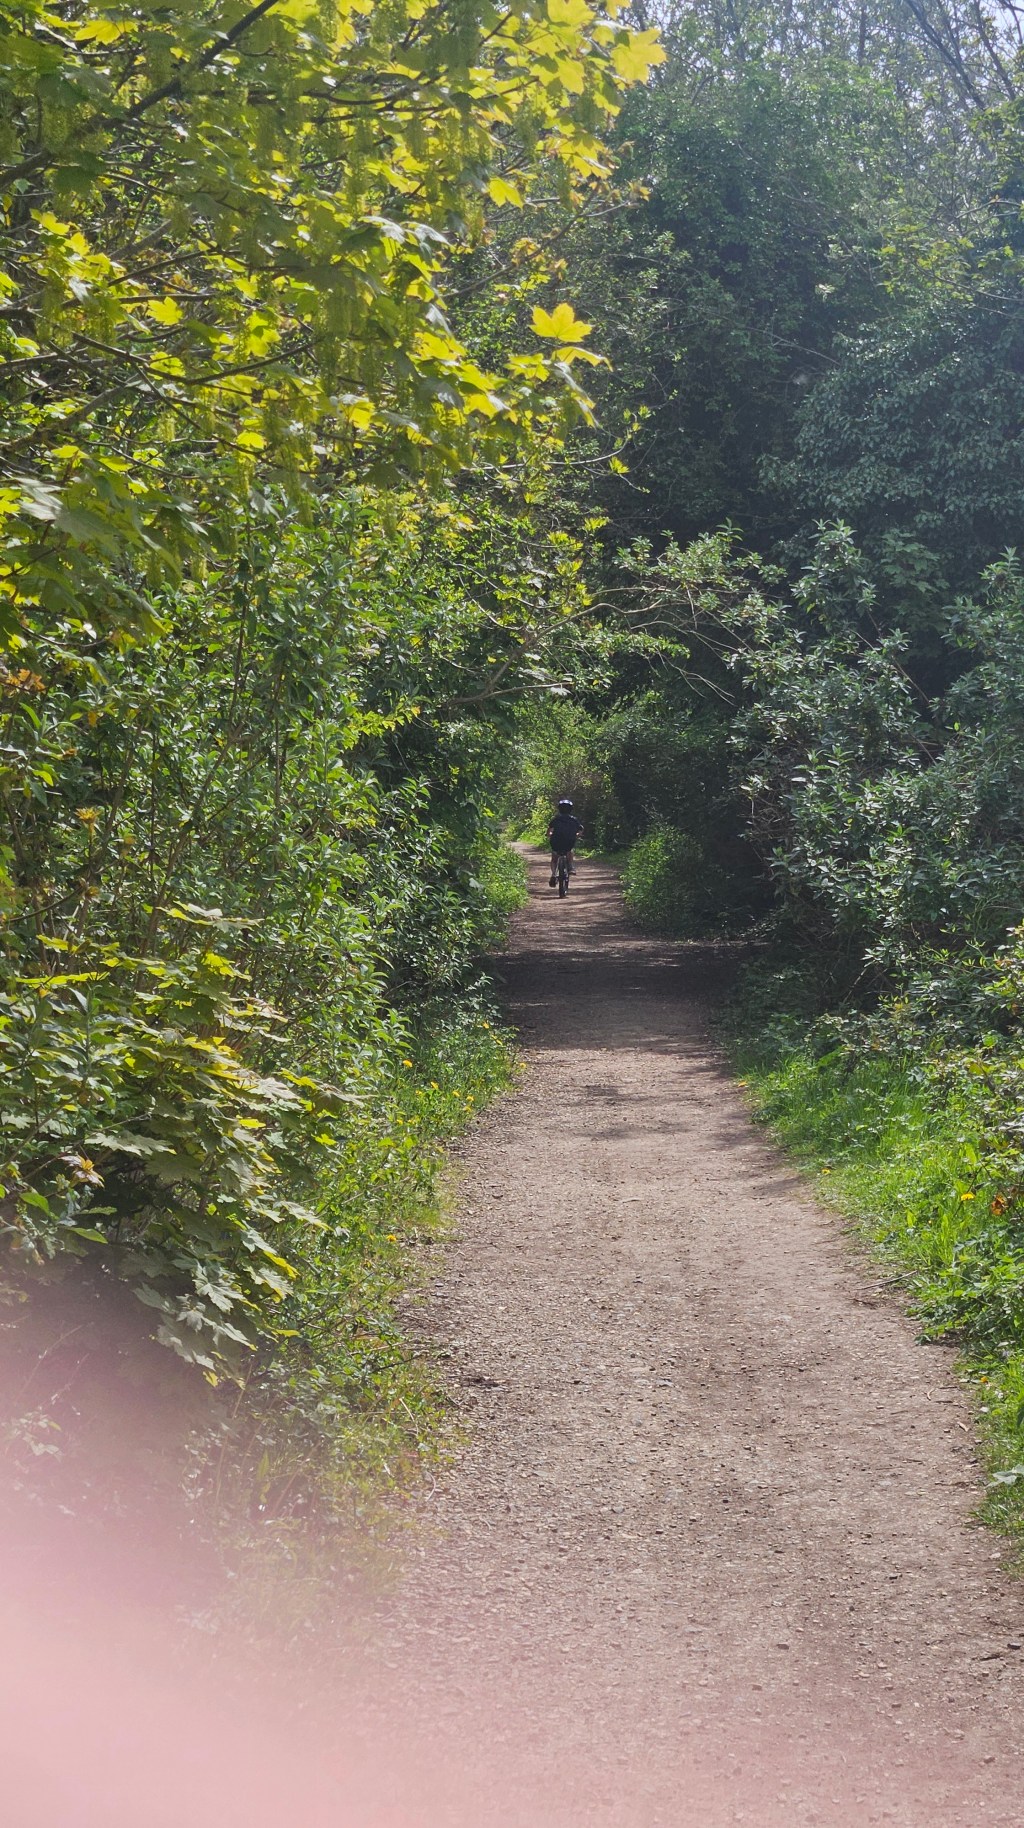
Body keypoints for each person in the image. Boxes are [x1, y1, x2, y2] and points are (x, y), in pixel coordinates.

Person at [547, 798, 584, 886]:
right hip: (569, 841)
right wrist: (577, 835)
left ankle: (553, 874)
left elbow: (549, 832)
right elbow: (581, 829)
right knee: (570, 850)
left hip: (556, 841)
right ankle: (570, 866)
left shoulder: (555, 819)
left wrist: (550, 834)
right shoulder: (574, 819)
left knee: (554, 858)